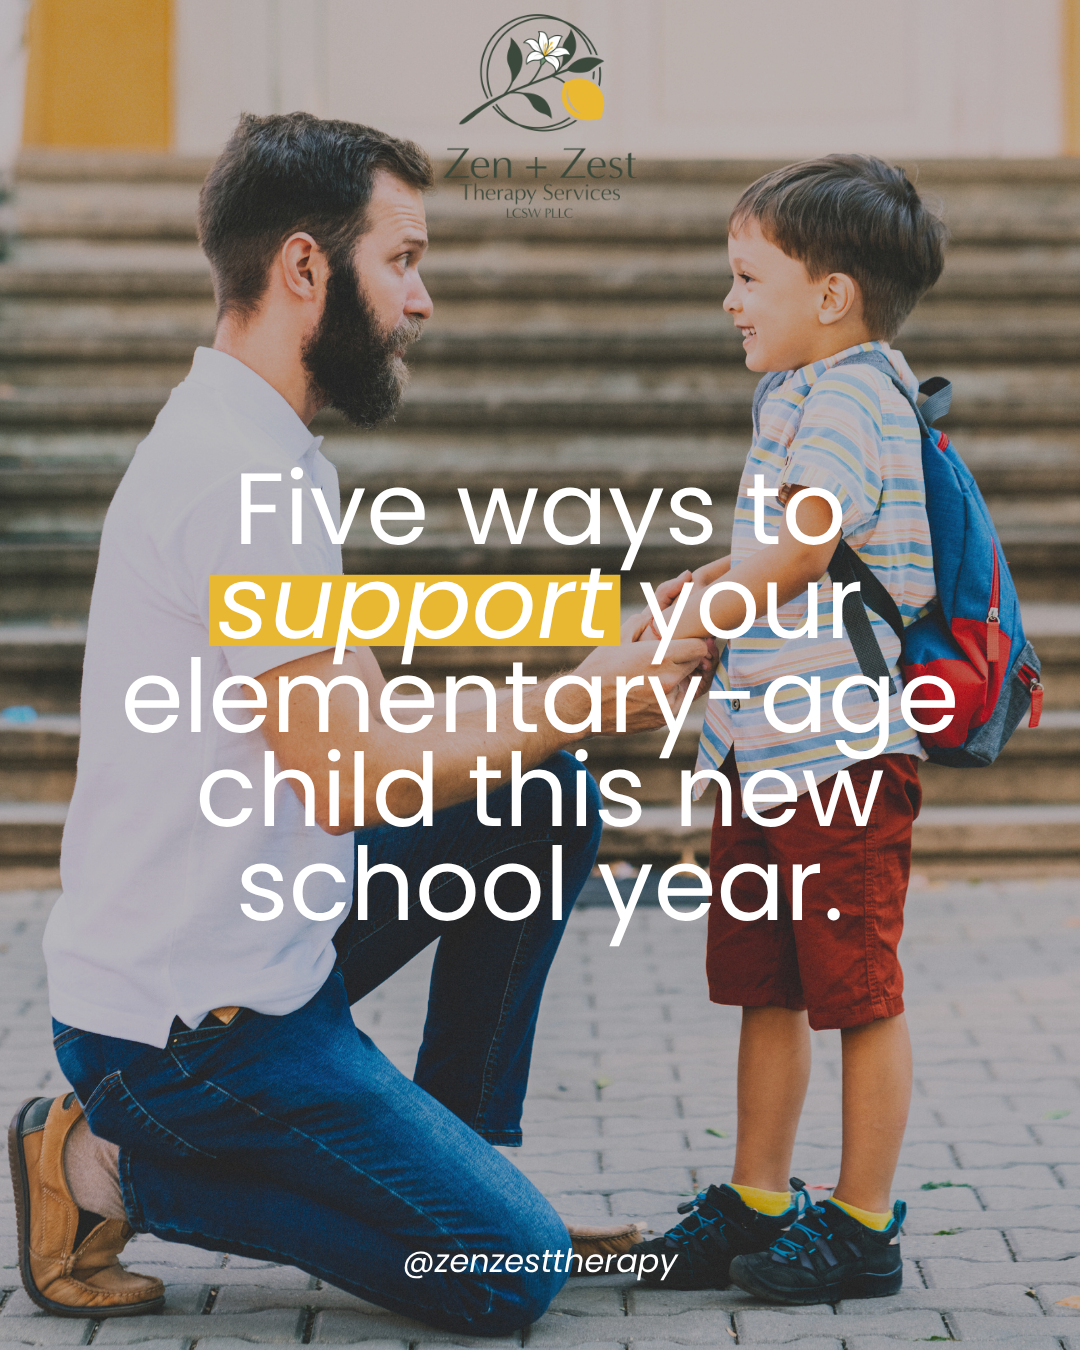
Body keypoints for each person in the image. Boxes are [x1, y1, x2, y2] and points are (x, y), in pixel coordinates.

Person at [8, 113, 708, 1334]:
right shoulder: (238, 479)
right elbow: (346, 778)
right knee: (506, 1274)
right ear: (303, 268)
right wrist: (585, 695)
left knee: (537, 796)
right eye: (404, 259)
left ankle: (460, 1160)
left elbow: (373, 729)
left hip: (268, 939)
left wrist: (572, 700)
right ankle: (101, 1164)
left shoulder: (268, 452)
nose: (422, 301)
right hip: (187, 1039)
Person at [627, 155, 947, 1301]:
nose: (731, 300)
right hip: (765, 754)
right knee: (768, 984)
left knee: (858, 989)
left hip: (846, 760)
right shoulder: (796, 395)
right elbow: (789, 544)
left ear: (832, 293)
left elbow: (810, 546)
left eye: (747, 275)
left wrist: (704, 610)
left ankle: (862, 1228)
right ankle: (759, 1199)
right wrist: (707, 585)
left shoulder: (859, 389)